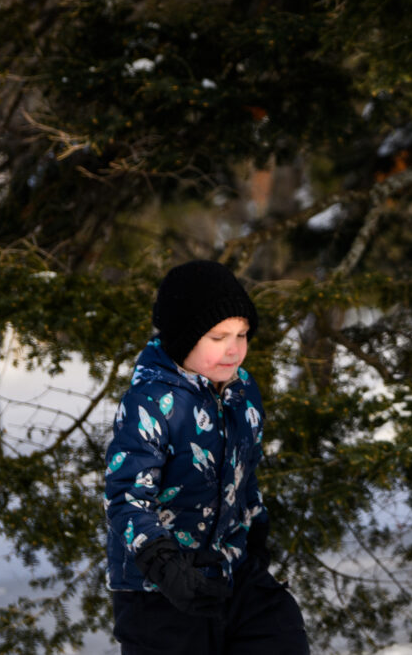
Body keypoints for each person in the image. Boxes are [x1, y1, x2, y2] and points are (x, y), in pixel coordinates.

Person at [102, 260, 308, 655]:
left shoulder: (242, 392)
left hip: (231, 570)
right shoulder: (151, 403)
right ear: (184, 338)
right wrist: (164, 565)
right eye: (218, 337)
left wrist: (256, 532)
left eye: (242, 334)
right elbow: (126, 499)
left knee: (281, 634)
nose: (234, 348)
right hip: (158, 589)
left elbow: (244, 476)